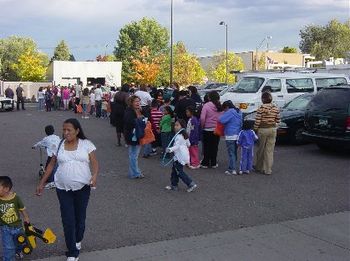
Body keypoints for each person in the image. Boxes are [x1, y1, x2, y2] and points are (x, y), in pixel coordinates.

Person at [36, 118, 99, 261]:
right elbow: (51, 165)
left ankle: (77, 239)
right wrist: (42, 183)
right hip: (62, 189)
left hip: (83, 188)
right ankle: (72, 252)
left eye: (69, 130)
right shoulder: (59, 145)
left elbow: (95, 164)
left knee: (80, 219)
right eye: (64, 130)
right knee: (68, 220)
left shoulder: (86, 144)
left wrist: (94, 176)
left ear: (77, 131)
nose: (66, 133)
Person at [0, 176, 30, 260]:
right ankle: (9, 258)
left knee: (19, 242)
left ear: (6, 189)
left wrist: (26, 217)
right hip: (5, 227)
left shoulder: (16, 198)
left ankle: (18, 251)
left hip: (17, 226)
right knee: (8, 247)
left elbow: (22, 209)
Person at [165, 119, 197, 192]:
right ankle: (174, 185)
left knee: (179, 172)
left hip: (179, 157)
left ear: (182, 127)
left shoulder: (179, 136)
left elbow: (177, 146)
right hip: (183, 156)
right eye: (175, 125)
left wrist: (169, 149)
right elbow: (188, 144)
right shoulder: (184, 135)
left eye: (177, 125)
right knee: (175, 171)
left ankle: (190, 183)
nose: (175, 127)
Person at [253, 92, 280, 175]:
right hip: (272, 129)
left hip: (263, 129)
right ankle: (268, 170)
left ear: (263, 99)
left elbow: (257, 121)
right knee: (269, 150)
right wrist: (274, 126)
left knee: (261, 149)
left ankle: (259, 167)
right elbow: (278, 120)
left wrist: (255, 129)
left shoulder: (260, 109)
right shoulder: (275, 108)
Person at [32, 125, 61, 189]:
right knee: (58, 166)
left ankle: (49, 178)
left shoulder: (46, 139)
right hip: (59, 154)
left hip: (52, 156)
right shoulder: (57, 137)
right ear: (53, 131)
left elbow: (40, 143)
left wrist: (34, 146)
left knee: (49, 167)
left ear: (46, 132)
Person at [219, 100, 243, 175]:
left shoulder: (230, 112)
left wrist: (224, 113)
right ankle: (233, 167)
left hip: (230, 135)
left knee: (231, 153)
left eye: (224, 109)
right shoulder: (239, 111)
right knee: (234, 152)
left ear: (227, 107)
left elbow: (221, 120)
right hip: (237, 134)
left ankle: (232, 169)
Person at [123, 96, 145, 179]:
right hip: (132, 135)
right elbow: (129, 122)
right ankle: (135, 173)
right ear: (131, 102)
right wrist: (140, 118)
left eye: (139, 101)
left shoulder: (138, 110)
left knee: (133, 155)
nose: (138, 103)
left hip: (136, 135)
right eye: (136, 101)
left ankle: (133, 172)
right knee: (134, 155)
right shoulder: (129, 111)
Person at [200, 91, 222, 168]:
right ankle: (213, 162)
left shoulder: (206, 105)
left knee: (207, 146)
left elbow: (202, 118)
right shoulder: (219, 105)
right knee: (214, 146)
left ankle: (205, 162)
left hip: (207, 129)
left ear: (210, 97)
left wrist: (202, 126)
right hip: (216, 129)